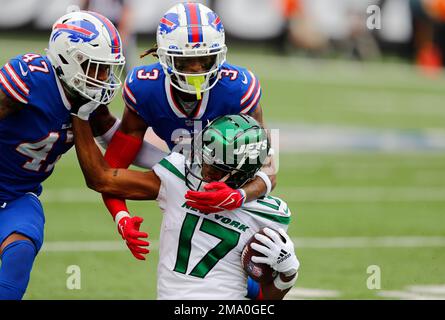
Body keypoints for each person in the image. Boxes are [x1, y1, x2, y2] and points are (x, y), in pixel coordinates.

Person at [0, 9, 159, 300]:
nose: (103, 77)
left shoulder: (86, 96)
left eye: (106, 68)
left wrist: (174, 164)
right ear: (67, 58)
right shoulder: (29, 80)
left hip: (19, 194)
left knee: (21, 247)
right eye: (95, 67)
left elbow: (116, 139)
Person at [102, 0, 277, 264]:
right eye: (187, 61)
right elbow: (111, 171)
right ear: (165, 57)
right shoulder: (146, 89)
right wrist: (121, 216)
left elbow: (270, 170)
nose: (197, 69)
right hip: (176, 173)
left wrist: (238, 195)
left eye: (205, 59)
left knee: (269, 258)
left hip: (231, 183)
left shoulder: (238, 90)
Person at [72, 112, 300, 299]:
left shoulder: (269, 215)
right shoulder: (179, 176)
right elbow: (102, 180)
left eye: (216, 167)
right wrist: (79, 113)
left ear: (242, 173)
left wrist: (288, 273)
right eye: (204, 157)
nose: (204, 169)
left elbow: (263, 299)